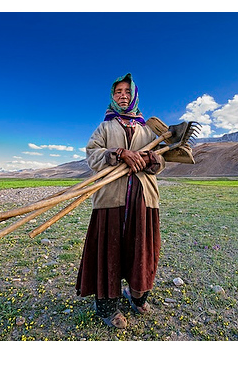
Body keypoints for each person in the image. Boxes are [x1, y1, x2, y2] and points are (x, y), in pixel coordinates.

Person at [75, 73, 165, 329]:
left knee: (141, 249)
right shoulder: (105, 127)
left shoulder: (149, 129)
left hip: (143, 198)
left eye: (127, 91)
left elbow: (163, 160)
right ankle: (107, 306)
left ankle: (137, 296)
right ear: (113, 97)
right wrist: (118, 153)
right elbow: (92, 155)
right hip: (110, 198)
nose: (123, 96)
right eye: (118, 92)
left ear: (134, 94)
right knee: (110, 250)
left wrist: (150, 159)